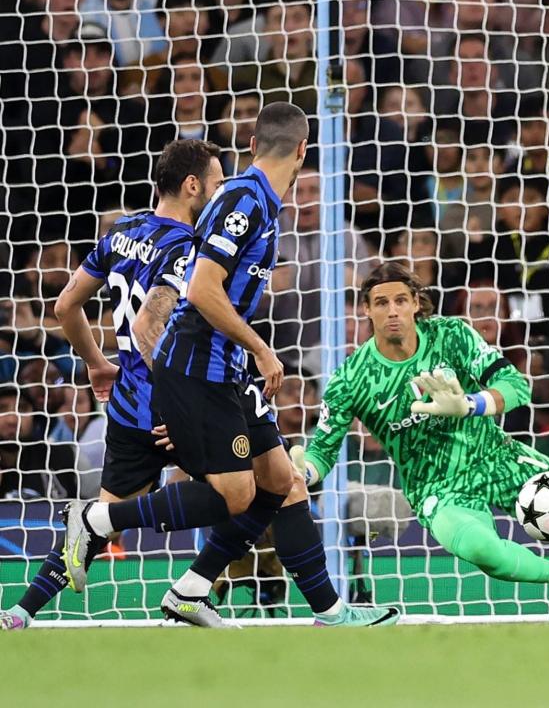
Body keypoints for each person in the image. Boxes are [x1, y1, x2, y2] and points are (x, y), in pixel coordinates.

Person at [58, 107, 397, 628]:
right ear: (304, 151)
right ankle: (97, 518)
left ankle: (315, 608)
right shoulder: (244, 199)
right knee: (236, 496)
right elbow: (202, 290)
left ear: (254, 141)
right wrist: (261, 347)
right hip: (200, 363)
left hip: (225, 365)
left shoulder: (261, 202)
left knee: (284, 481)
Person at [289, 262, 549, 597]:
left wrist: (471, 404)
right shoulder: (350, 379)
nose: (392, 311)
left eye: (400, 301)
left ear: (415, 303)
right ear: (366, 309)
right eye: (381, 303)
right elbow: (323, 450)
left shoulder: (450, 335)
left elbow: (515, 385)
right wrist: (303, 471)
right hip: (437, 488)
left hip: (496, 456)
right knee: (487, 554)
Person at [0, 139, 221, 631]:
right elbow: (150, 329)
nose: (220, 190)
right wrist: (173, 411)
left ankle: (19, 613)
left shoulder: (122, 232)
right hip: (168, 406)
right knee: (250, 489)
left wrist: (97, 363)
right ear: (192, 186)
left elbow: (64, 307)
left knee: (102, 523)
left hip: (124, 406)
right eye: (217, 181)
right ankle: (191, 592)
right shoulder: (187, 247)